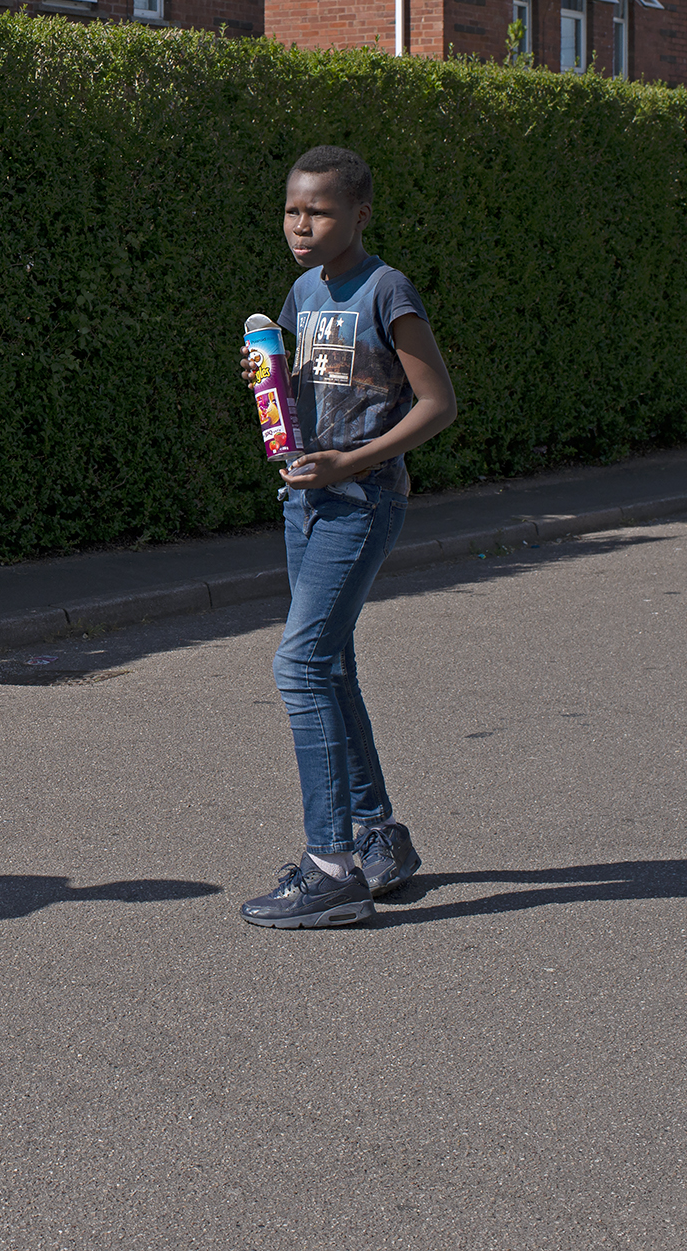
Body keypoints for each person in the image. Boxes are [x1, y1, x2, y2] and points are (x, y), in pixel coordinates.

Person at [238, 145, 457, 929]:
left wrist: (349, 465)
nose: (302, 226)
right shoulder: (303, 290)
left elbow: (437, 404)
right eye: (293, 210)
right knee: (329, 666)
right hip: (305, 503)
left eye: (320, 211)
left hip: (362, 501)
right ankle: (379, 838)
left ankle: (330, 867)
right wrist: (269, 384)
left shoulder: (386, 288)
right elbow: (311, 387)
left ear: (359, 214)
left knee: (299, 665)